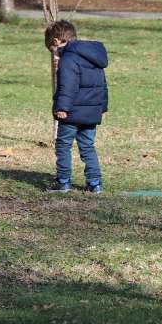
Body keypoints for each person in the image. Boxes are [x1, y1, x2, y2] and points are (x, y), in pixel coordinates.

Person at [45, 20, 108, 194]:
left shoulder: (68, 59)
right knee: (88, 146)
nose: (55, 55)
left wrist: (62, 108)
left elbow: (67, 86)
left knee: (63, 145)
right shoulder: (93, 57)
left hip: (70, 113)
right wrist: (102, 107)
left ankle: (63, 182)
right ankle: (95, 184)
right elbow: (102, 85)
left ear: (56, 41)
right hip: (91, 113)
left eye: (53, 49)